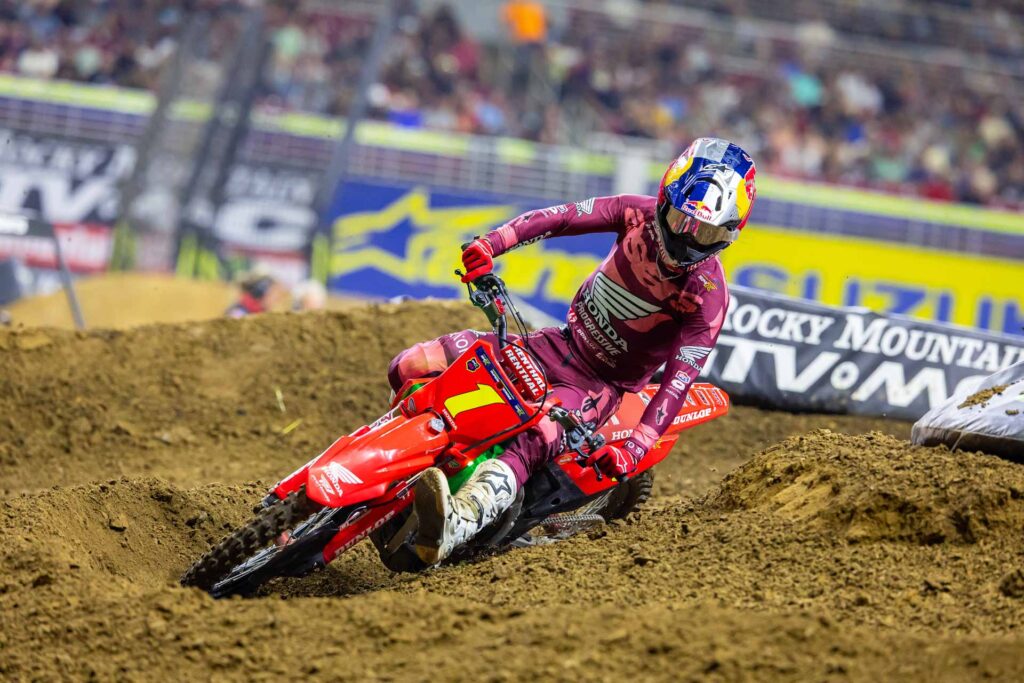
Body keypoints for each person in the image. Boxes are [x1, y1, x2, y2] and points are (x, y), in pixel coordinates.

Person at [387, 138, 757, 565]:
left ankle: (460, 520)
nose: (687, 240)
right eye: (680, 220)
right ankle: (395, 463)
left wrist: (634, 450)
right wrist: (492, 244)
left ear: (729, 235)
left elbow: (677, 383)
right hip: (554, 342)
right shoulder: (634, 213)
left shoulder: (707, 296)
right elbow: (562, 217)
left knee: (537, 437)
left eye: (706, 233)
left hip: (597, 386)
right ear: (663, 199)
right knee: (411, 365)